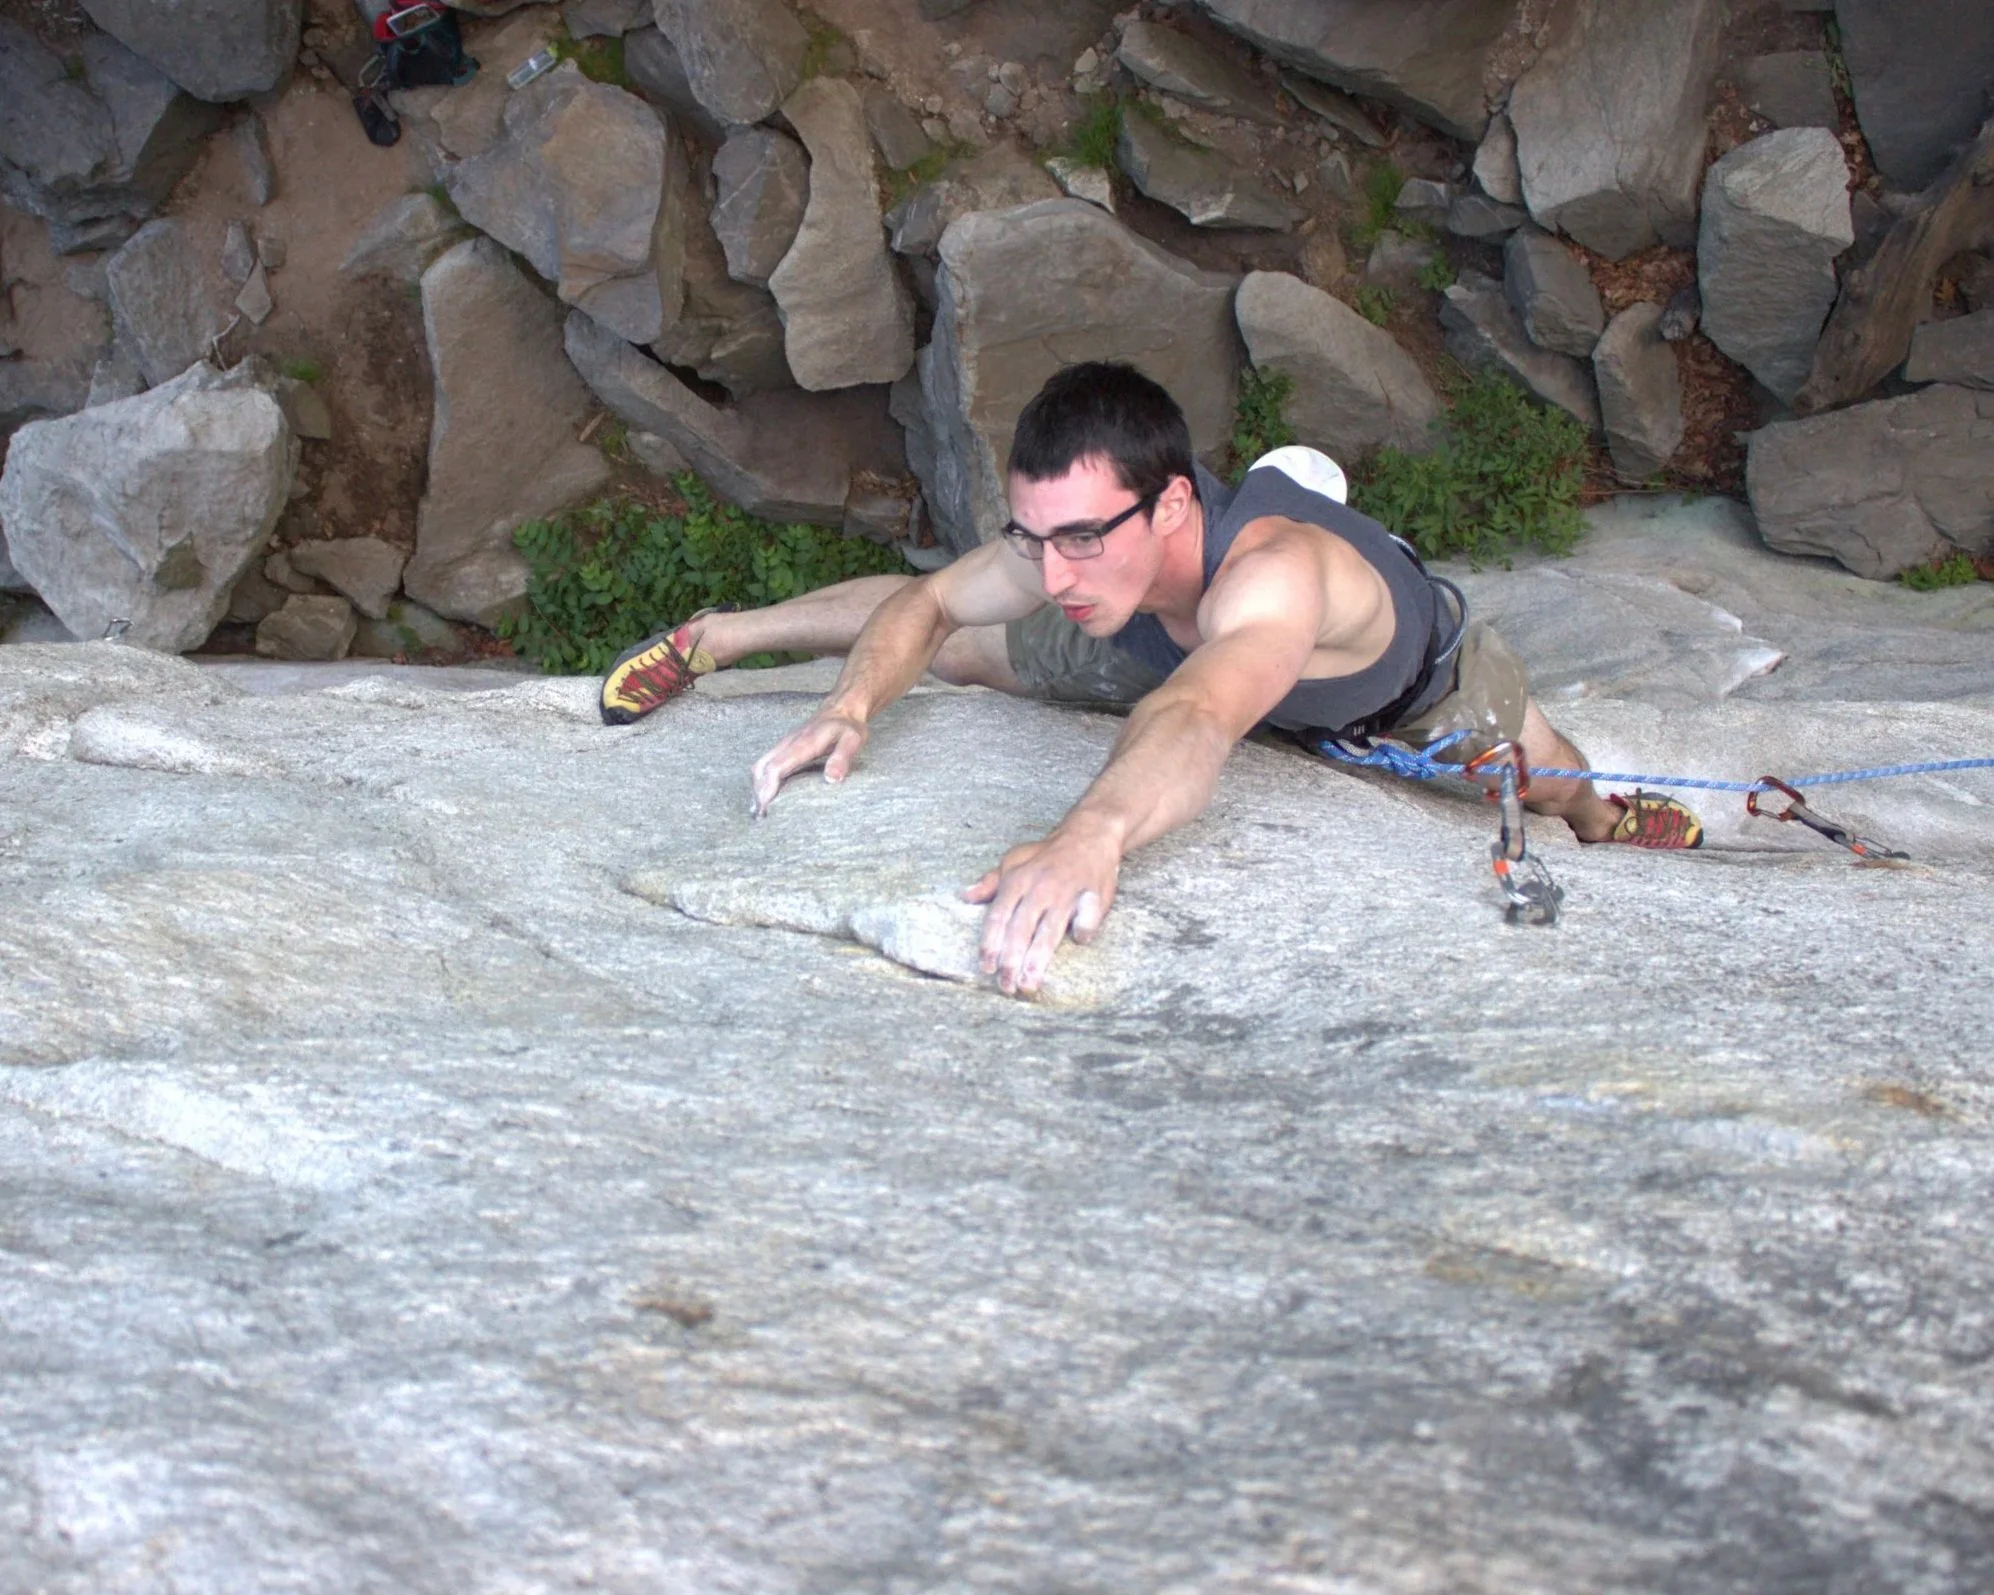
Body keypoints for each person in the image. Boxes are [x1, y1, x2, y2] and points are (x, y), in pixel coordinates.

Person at [600, 362, 1702, 995]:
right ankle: (718, 636)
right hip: (1154, 633)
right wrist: (848, 701)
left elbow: (1197, 709)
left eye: (1080, 536)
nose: (1052, 566)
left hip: (1403, 690)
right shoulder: (1085, 565)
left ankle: (1611, 819)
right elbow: (932, 598)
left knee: (1547, 776)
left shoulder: (1271, 579)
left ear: (1172, 503)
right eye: (1034, 538)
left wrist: (1092, 832)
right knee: (951, 632)